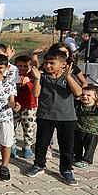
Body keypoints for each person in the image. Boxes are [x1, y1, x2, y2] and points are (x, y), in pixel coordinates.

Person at [25, 50, 83, 185]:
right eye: (46, 63)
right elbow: (36, 94)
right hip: (45, 115)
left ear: (63, 65)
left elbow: (79, 92)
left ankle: (66, 169)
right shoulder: (43, 77)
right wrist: (38, 78)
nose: (48, 66)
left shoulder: (68, 77)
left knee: (66, 146)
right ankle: (39, 165)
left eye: (52, 63)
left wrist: (68, 77)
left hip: (67, 117)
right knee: (41, 143)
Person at [73, 86, 98, 168]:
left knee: (89, 147)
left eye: (88, 95)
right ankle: (77, 157)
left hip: (92, 131)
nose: (85, 97)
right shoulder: (78, 105)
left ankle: (87, 160)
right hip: (79, 129)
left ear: (96, 97)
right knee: (77, 145)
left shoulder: (97, 107)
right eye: (83, 95)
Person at [12, 55, 39, 159]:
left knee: (29, 128)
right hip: (15, 105)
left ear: (30, 66)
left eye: (25, 66)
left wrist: (28, 81)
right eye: (19, 66)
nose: (22, 68)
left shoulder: (33, 76)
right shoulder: (13, 75)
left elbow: (36, 90)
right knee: (11, 126)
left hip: (29, 106)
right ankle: (12, 146)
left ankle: (27, 147)